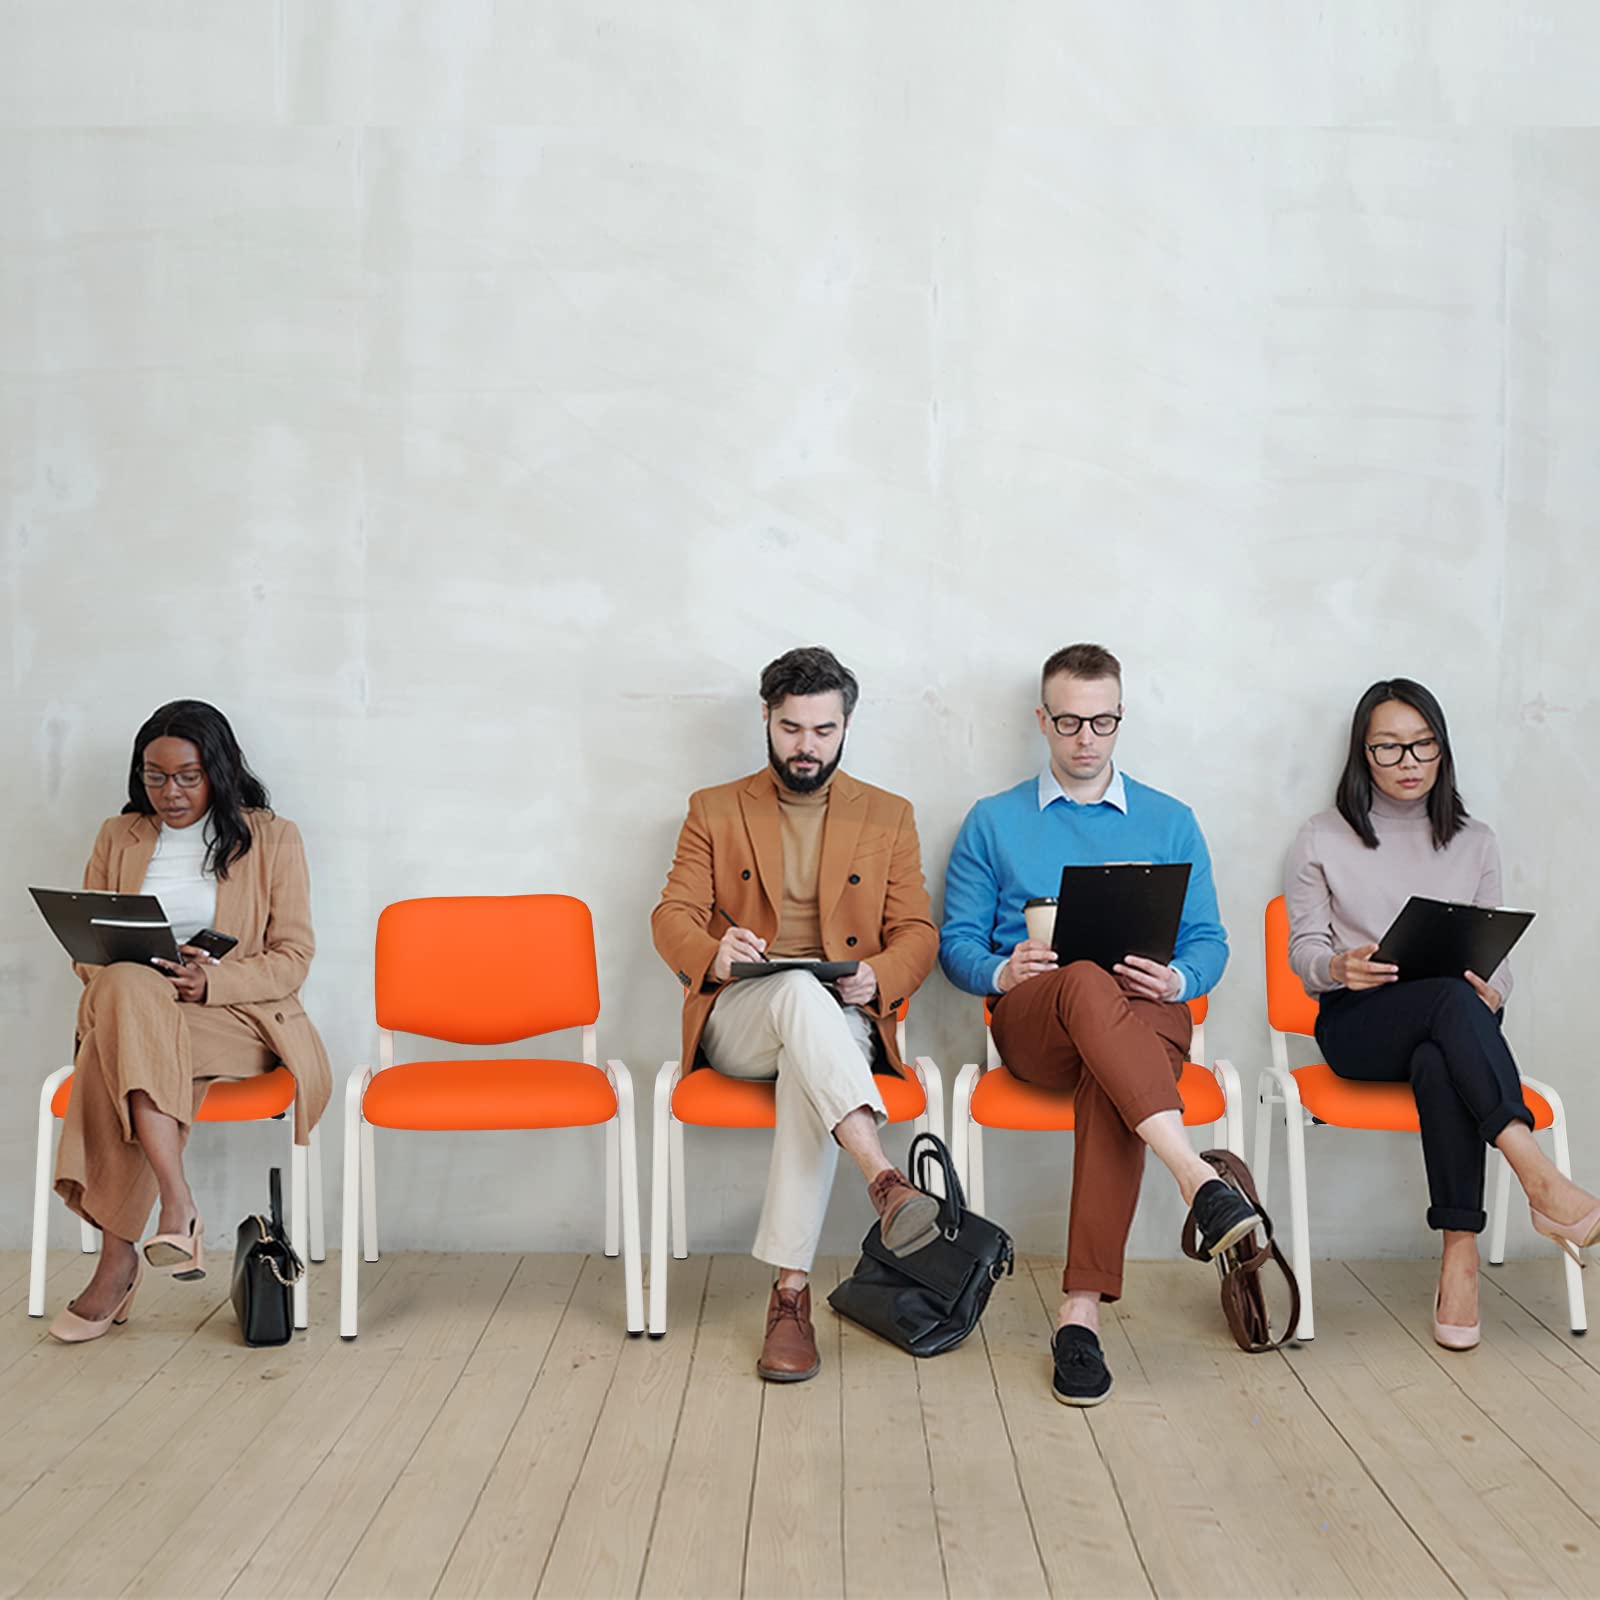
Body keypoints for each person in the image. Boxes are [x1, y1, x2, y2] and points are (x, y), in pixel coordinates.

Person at [940, 643, 1259, 1406]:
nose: (1087, 739)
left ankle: (1078, 1317)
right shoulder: (992, 821)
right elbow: (955, 944)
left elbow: (1209, 942)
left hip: (1145, 1018)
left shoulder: (1171, 820)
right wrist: (1001, 971)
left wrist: (1178, 979)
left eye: (1103, 722)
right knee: (1083, 977)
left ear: (1121, 719)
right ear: (1042, 720)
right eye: (1070, 722)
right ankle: (1196, 1176)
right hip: (1038, 1023)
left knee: (1110, 1072)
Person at [1286, 677, 1600, 1350]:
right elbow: (1304, 948)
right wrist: (1337, 967)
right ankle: (1538, 1176)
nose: (1408, 762)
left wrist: (1494, 991)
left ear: (1442, 748)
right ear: (1363, 753)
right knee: (1448, 1004)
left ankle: (1460, 1255)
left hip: (1454, 1026)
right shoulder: (1321, 837)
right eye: (1389, 747)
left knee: (1442, 1048)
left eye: (1422, 744)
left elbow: (1496, 954)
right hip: (1359, 1023)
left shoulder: (1476, 840)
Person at [652, 647, 939, 1382]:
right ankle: (883, 1177)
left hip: (840, 1022)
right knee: (794, 994)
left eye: (823, 730)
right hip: (745, 1014)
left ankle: (790, 1296)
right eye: (790, 729)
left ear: (846, 725)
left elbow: (917, 932)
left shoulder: (889, 814)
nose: (806, 745)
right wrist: (716, 952)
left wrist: (878, 975)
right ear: (766, 718)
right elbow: (671, 914)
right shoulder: (714, 808)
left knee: (808, 1050)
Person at [48, 700, 331, 1343]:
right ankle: (177, 1208)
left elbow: (293, 956)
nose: (169, 792)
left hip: (234, 1019)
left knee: (113, 1050)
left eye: (187, 777)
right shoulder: (117, 835)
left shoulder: (272, 836)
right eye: (154, 777)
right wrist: (139, 971)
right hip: (133, 1010)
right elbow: (85, 952)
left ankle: (117, 1261)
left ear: (218, 772)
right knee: (127, 990)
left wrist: (211, 981)